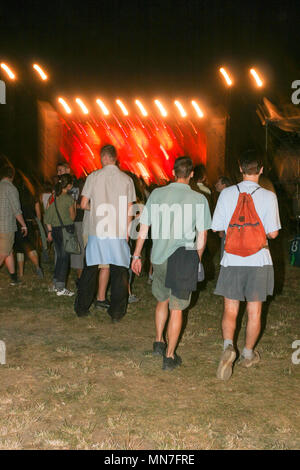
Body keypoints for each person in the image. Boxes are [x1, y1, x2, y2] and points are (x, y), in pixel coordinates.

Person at [131, 156, 211, 371]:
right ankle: (169, 356)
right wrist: (197, 260)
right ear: (191, 173)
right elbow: (202, 236)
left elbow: (144, 228)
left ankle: (159, 341)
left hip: (159, 257)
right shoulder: (199, 199)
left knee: (162, 300)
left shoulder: (157, 194)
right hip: (183, 258)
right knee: (177, 309)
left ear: (173, 171)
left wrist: (137, 256)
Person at [211, 149, 281, 381]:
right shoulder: (269, 196)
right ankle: (248, 354)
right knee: (254, 311)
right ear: (261, 169)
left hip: (232, 259)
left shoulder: (227, 193)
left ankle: (228, 347)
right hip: (259, 260)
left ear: (240, 169)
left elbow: (217, 228)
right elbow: (273, 233)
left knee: (230, 309)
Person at [74, 144, 136, 320]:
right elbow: (129, 209)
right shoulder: (126, 179)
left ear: (102, 157)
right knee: (119, 272)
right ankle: (116, 312)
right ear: (115, 158)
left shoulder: (93, 177)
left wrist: (97, 209)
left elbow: (84, 204)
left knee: (90, 270)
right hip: (118, 230)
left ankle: (82, 309)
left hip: (97, 229)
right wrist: (127, 230)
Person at [44, 174, 76, 296]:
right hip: (66, 230)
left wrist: (50, 231)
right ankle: (61, 288)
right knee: (65, 259)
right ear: (68, 186)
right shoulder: (68, 199)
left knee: (59, 257)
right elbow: (72, 217)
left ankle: (56, 282)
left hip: (56, 230)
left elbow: (47, 217)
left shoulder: (54, 198)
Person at [0, 165, 27, 285]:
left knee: (9, 251)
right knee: (3, 253)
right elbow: (16, 209)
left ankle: (13, 278)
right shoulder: (10, 188)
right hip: (5, 226)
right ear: (12, 175)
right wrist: (23, 225)